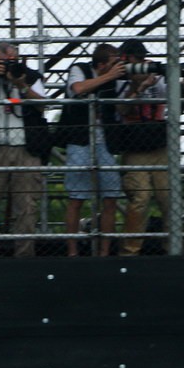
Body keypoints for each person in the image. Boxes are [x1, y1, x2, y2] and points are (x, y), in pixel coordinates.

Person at [0, 41, 52, 258]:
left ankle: (24, 256)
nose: (8, 64)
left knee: (26, 207)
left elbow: (44, 105)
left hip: (26, 149)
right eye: (2, 61)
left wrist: (22, 85)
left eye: (11, 60)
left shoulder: (31, 76)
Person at [114, 39, 184, 256]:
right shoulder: (119, 79)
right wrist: (139, 87)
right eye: (135, 60)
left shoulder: (158, 75)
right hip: (135, 147)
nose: (140, 64)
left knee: (169, 198)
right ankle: (130, 251)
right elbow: (121, 110)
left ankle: (174, 249)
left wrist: (183, 86)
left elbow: (178, 104)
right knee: (140, 198)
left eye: (141, 59)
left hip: (160, 145)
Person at [59, 43, 128, 257]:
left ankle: (105, 252)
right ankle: (72, 251)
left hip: (105, 142)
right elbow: (77, 89)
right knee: (76, 197)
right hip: (80, 140)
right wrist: (109, 76)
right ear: (101, 64)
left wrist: (139, 86)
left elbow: (123, 107)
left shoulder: (118, 79)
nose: (119, 66)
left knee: (111, 197)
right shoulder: (80, 69)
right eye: (114, 62)